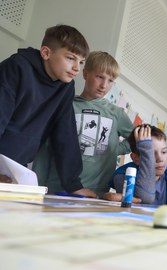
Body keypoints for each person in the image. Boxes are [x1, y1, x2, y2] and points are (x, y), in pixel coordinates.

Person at [0, 24, 96, 197]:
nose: (77, 68)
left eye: (81, 62)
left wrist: (73, 184)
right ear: (46, 53)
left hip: (16, 169)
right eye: (70, 58)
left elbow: (65, 133)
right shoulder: (16, 67)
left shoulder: (66, 87)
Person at [33, 51, 134, 195]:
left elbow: (136, 139)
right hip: (57, 188)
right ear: (86, 74)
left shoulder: (116, 113)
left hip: (96, 192)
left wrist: (114, 150)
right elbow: (45, 149)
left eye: (110, 80)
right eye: (100, 77)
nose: (104, 85)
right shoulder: (65, 105)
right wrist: (37, 186)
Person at [106, 124, 167, 206]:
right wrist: (146, 149)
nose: (160, 159)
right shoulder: (124, 175)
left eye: (164, 152)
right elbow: (144, 200)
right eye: (151, 154)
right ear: (136, 158)